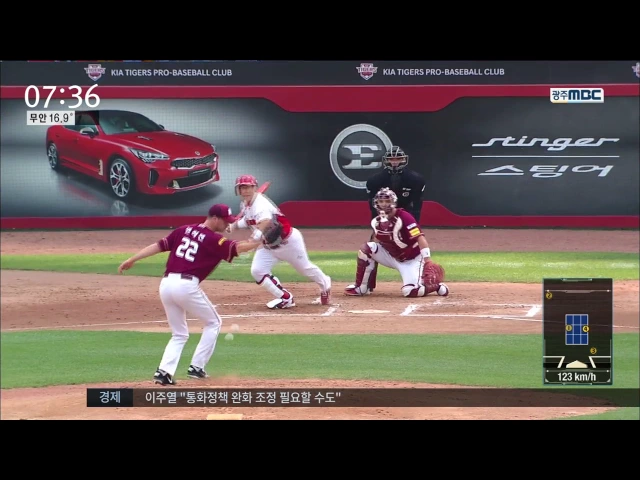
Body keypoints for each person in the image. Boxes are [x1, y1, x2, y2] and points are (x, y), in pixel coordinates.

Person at [117, 204, 261, 386]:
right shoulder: (213, 239)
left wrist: (133, 259)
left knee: (179, 334)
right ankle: (197, 367)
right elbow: (237, 248)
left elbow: (158, 246)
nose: (227, 224)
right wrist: (260, 242)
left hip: (166, 285)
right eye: (225, 221)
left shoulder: (183, 230)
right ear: (214, 218)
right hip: (185, 286)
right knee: (214, 322)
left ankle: (164, 372)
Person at [226, 174, 332, 309]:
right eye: (242, 188)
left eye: (248, 187)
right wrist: (233, 226)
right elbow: (248, 220)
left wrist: (255, 237)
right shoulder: (246, 204)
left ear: (254, 188)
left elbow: (265, 221)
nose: (245, 191)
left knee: (305, 269)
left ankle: (325, 284)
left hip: (288, 243)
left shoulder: (260, 204)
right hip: (269, 246)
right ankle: (285, 298)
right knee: (257, 271)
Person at [344, 188, 449, 298]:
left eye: (387, 201)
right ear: (376, 203)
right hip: (392, 256)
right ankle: (362, 287)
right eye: (381, 201)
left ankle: (436, 286)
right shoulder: (376, 222)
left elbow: (420, 237)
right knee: (366, 249)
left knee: (410, 291)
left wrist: (427, 260)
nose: (384, 204)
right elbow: (375, 244)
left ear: (393, 202)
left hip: (411, 259)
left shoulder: (405, 217)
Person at [362, 145, 426, 294]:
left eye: (398, 158)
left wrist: (413, 224)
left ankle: (422, 278)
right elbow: (372, 206)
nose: (395, 162)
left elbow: (417, 205)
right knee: (370, 246)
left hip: (405, 217)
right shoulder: (374, 181)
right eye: (391, 159)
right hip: (383, 217)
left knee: (414, 245)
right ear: (386, 161)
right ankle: (366, 284)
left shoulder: (416, 180)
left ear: (404, 160)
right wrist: (378, 225)